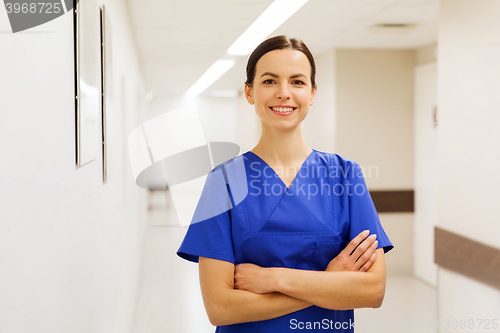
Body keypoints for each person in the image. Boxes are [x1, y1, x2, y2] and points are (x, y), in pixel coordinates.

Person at [177, 35, 394, 332]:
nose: (283, 93)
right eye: (269, 81)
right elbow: (220, 308)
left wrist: (274, 279)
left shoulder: (345, 176)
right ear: (249, 92)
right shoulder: (224, 181)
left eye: (297, 82)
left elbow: (372, 291)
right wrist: (328, 282)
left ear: (313, 93)